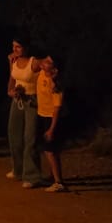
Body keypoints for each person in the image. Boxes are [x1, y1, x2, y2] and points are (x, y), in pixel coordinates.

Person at [6, 37, 44, 188]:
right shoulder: (14, 61)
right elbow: (12, 78)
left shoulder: (33, 62)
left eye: (18, 47)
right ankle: (18, 169)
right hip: (17, 101)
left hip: (31, 101)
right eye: (13, 46)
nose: (14, 50)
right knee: (14, 134)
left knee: (30, 137)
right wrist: (10, 91)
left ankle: (32, 175)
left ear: (26, 48)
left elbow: (49, 63)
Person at [36, 54, 67, 192]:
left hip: (51, 118)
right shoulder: (42, 73)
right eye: (46, 59)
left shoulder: (56, 86)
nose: (44, 62)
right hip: (42, 114)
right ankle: (53, 176)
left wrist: (51, 129)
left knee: (51, 151)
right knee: (49, 150)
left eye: (49, 62)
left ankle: (59, 182)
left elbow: (57, 108)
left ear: (55, 69)